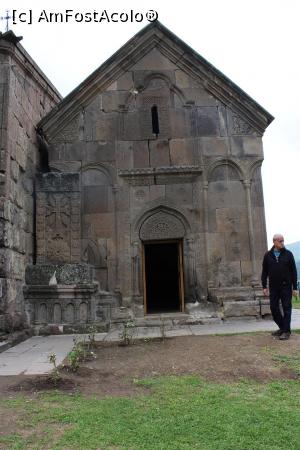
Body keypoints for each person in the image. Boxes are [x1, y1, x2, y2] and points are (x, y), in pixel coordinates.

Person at [261, 233, 298, 340]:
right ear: (274, 242)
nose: (282, 243)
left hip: (286, 287)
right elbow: (264, 272)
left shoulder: (288, 254)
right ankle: (283, 328)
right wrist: (264, 286)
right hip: (273, 287)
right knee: (273, 308)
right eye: (280, 241)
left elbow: (294, 272)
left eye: (283, 241)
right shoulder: (267, 255)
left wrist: (295, 288)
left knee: (287, 308)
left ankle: (286, 331)